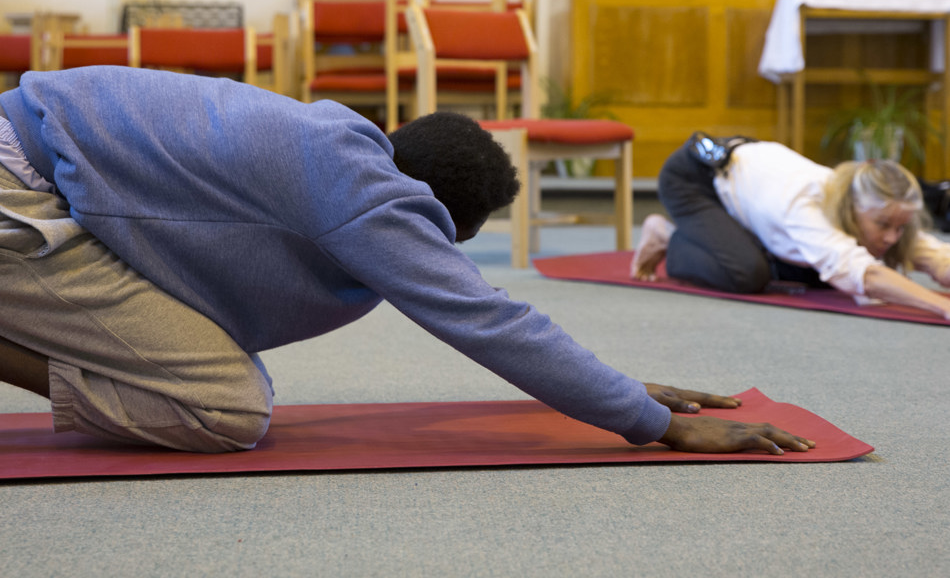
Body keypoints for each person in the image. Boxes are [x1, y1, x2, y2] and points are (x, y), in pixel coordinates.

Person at [0, 67, 814, 456]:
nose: (437, 254)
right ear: (428, 212)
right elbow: (489, 318)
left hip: (43, 176)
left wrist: (622, 386)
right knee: (226, 407)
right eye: (444, 240)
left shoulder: (333, 145)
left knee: (211, 372)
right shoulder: (366, 193)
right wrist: (655, 423)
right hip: (18, 195)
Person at [633, 133, 950, 321]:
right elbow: (865, 274)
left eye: (900, 227)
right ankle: (667, 235)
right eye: (883, 225)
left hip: (753, 190)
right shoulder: (806, 205)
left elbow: (934, 255)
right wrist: (941, 306)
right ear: (853, 208)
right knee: (747, 273)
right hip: (695, 180)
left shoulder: (864, 201)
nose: (892, 237)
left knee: (820, 274)